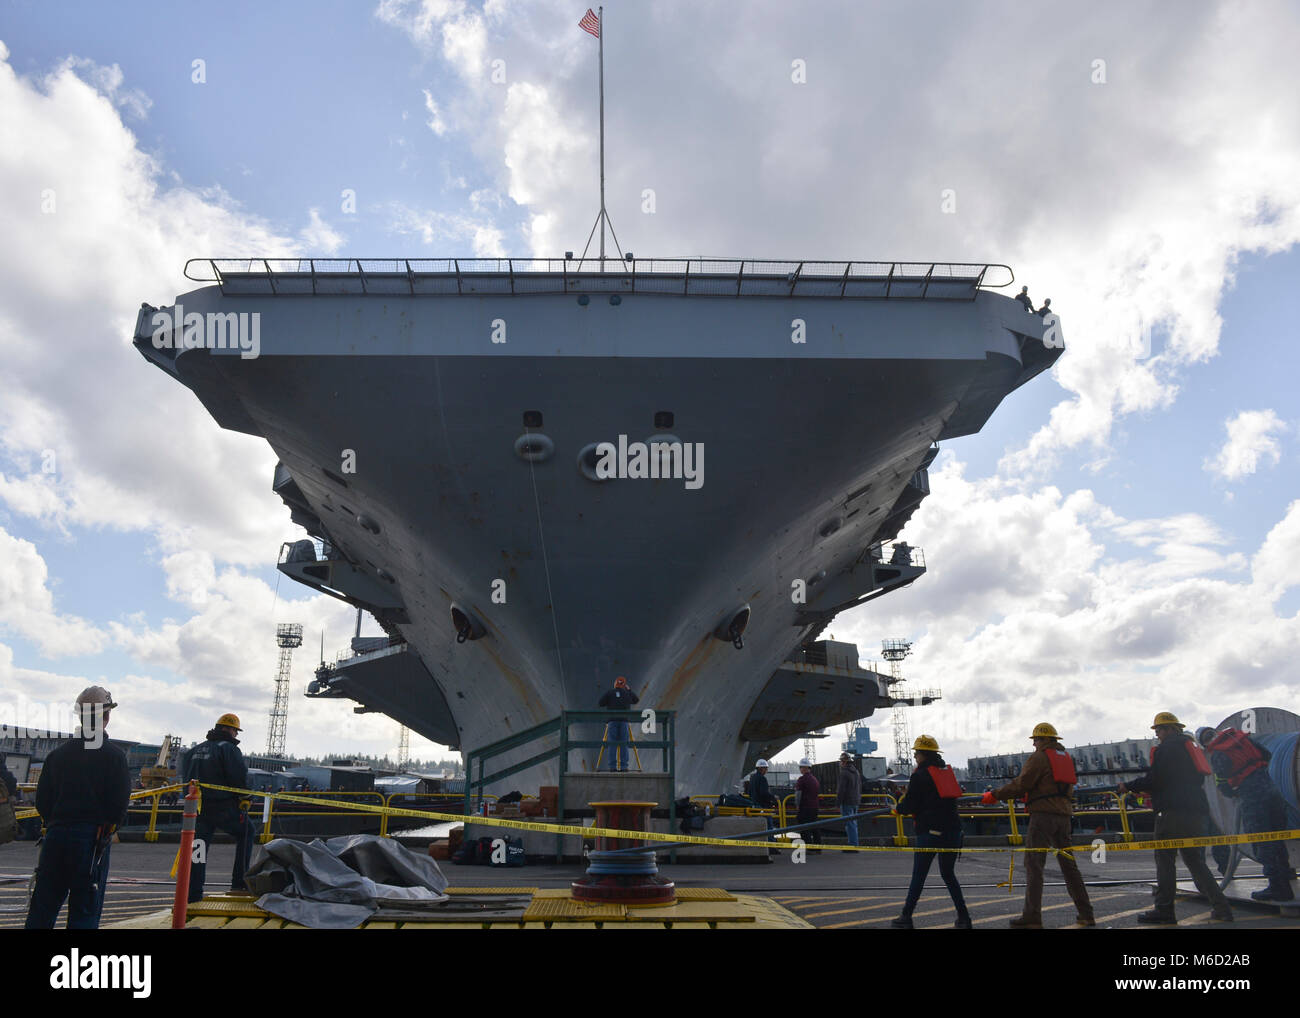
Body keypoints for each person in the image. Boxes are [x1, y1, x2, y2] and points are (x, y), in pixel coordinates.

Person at [25, 686, 130, 929]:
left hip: (56, 835)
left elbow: (42, 801)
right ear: (106, 716)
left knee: (42, 908)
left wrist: (57, 822)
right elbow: (118, 805)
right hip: (91, 840)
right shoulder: (113, 756)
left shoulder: (58, 755)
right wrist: (107, 829)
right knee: (84, 910)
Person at [1119, 712, 1232, 924]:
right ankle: (1222, 907)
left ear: (1170, 729)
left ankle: (1164, 911)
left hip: (1172, 812)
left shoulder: (1168, 747)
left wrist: (1130, 786)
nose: (1158, 734)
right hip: (1195, 811)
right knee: (1195, 862)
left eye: (1159, 730)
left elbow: (1156, 778)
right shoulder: (1190, 747)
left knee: (1165, 860)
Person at [983, 723, 1094, 928]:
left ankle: (1032, 916)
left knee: (1034, 865)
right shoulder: (1065, 758)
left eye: (1035, 740)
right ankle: (1086, 913)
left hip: (1043, 816)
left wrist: (995, 795)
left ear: (1044, 740)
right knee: (1069, 866)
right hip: (1063, 816)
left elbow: (1022, 784)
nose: (1033, 744)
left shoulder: (1039, 757)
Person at [1201, 725, 1295, 901]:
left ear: (1205, 744)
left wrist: (1235, 791)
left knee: (1261, 840)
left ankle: (1277, 887)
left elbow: (1223, 784)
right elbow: (1267, 754)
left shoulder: (1218, 753)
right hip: (1271, 788)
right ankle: (1286, 878)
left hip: (1252, 796)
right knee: (1277, 837)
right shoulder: (1240, 739)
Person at [891, 735, 971, 929]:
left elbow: (910, 804)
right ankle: (964, 918)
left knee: (919, 875)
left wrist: (897, 810)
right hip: (953, 831)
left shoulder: (920, 775)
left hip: (930, 832)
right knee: (948, 874)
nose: (915, 757)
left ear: (922, 754)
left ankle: (906, 917)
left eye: (916, 753)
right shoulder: (945, 772)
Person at [184, 712, 257, 902]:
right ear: (230, 729)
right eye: (235, 731)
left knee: (198, 850)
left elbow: (185, 779)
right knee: (247, 831)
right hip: (222, 807)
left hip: (196, 811)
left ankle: (193, 893)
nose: (236, 735)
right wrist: (246, 796)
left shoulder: (195, 751)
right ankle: (239, 882)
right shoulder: (229, 749)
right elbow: (237, 777)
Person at [596, 676, 639, 771]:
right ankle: (624, 767)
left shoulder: (610, 693)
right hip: (624, 722)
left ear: (615, 684)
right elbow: (636, 700)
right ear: (624, 685)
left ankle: (612, 767)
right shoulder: (627, 693)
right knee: (624, 744)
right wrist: (629, 690)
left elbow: (600, 703)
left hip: (612, 721)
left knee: (612, 744)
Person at [794, 758, 822, 850]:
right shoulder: (814, 779)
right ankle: (818, 848)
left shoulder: (802, 780)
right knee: (814, 827)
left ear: (805, 768)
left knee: (804, 828)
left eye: (801, 767)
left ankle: (809, 848)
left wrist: (797, 806)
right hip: (814, 807)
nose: (800, 769)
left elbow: (798, 794)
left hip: (805, 808)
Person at [837, 752, 863, 848]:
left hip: (847, 802)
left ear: (844, 762)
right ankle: (853, 843)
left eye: (841, 761)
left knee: (850, 824)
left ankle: (852, 845)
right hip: (855, 801)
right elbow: (859, 786)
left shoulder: (844, 773)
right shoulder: (856, 772)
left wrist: (837, 803)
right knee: (853, 823)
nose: (840, 763)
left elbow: (841, 790)